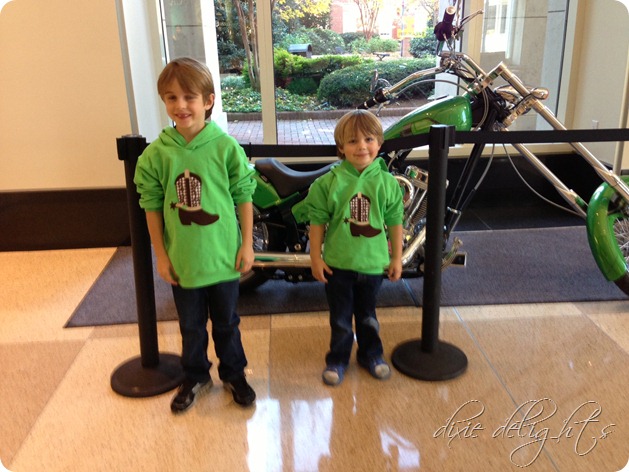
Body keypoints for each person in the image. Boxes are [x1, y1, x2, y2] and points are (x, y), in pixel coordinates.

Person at [134, 57, 256, 412]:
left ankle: (233, 373)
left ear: (208, 101)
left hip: (223, 256)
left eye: (189, 97)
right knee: (190, 325)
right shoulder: (156, 155)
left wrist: (247, 244)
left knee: (227, 323)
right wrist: (162, 255)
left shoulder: (225, 147)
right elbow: (151, 206)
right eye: (172, 97)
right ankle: (196, 375)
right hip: (183, 259)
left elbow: (244, 195)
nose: (181, 105)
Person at [304, 109, 404, 386]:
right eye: (352, 141)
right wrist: (315, 258)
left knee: (368, 316)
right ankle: (337, 359)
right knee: (340, 319)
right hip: (338, 265)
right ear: (341, 147)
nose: (362, 146)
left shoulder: (387, 183)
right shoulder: (328, 183)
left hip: (372, 265)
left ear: (379, 143)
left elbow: (395, 221)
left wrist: (397, 257)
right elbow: (317, 222)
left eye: (369, 139)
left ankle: (371, 355)